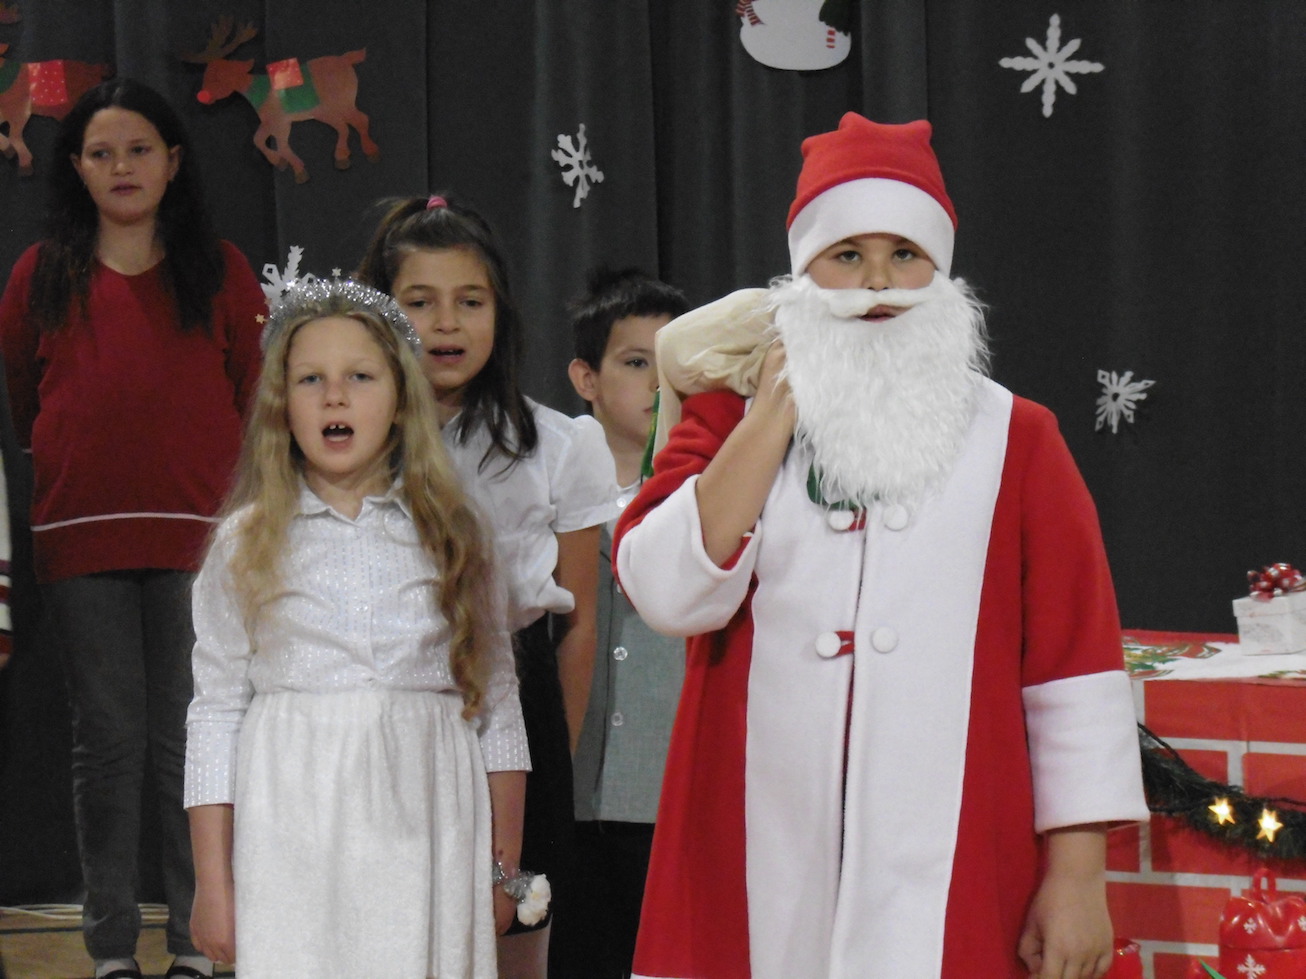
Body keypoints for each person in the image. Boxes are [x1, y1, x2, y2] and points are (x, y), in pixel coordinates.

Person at [613, 113, 1149, 979]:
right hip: (749, 851)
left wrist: (1078, 874)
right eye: (847, 255)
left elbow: (1073, 665)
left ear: (942, 273)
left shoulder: (1017, 438)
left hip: (953, 862)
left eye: (904, 254)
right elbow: (666, 594)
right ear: (802, 272)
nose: (876, 283)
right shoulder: (726, 414)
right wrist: (767, 420)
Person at [184, 278, 530, 977]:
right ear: (282, 406)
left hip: (428, 822)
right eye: (310, 379)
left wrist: (505, 866)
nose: (334, 396)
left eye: (360, 377)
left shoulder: (455, 536)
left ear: (401, 402)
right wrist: (212, 881)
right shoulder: (245, 543)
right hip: (292, 827)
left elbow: (496, 699)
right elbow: (215, 710)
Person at [0, 78, 266, 979]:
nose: (122, 167)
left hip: (203, 543)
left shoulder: (218, 268)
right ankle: (112, 947)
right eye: (102, 152)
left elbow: (254, 393)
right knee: (107, 741)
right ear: (76, 167)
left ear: (174, 161)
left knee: (191, 740)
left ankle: (196, 941)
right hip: (82, 539)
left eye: (140, 149)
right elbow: (25, 397)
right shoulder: (40, 274)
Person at [356, 195, 618, 978]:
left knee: (516, 922)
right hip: (389, 701)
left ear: (500, 312)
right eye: (420, 301)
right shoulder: (345, 446)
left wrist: (551, 752)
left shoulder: (560, 446)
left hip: (518, 704)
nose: (446, 324)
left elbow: (578, 622)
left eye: (470, 301)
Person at [553, 267, 689, 978]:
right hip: (568, 797)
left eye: (674, 367)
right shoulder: (544, 485)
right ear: (587, 378)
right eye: (637, 364)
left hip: (668, 798)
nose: (659, 385)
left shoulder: (712, 493)